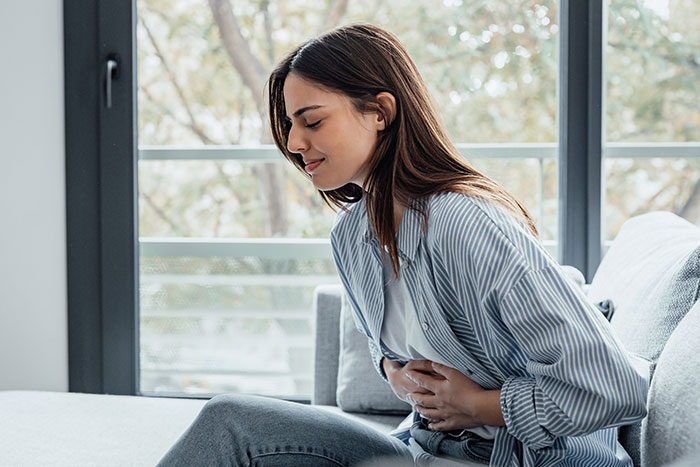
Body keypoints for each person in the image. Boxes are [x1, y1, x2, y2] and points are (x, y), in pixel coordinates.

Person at [157, 23, 648, 467]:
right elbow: (387, 345)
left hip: (526, 459)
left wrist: (477, 406)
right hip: (424, 448)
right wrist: (393, 369)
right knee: (230, 424)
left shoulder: (464, 224)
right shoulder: (352, 236)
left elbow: (614, 387)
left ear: (380, 112)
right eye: (289, 125)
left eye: (312, 121)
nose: (293, 142)